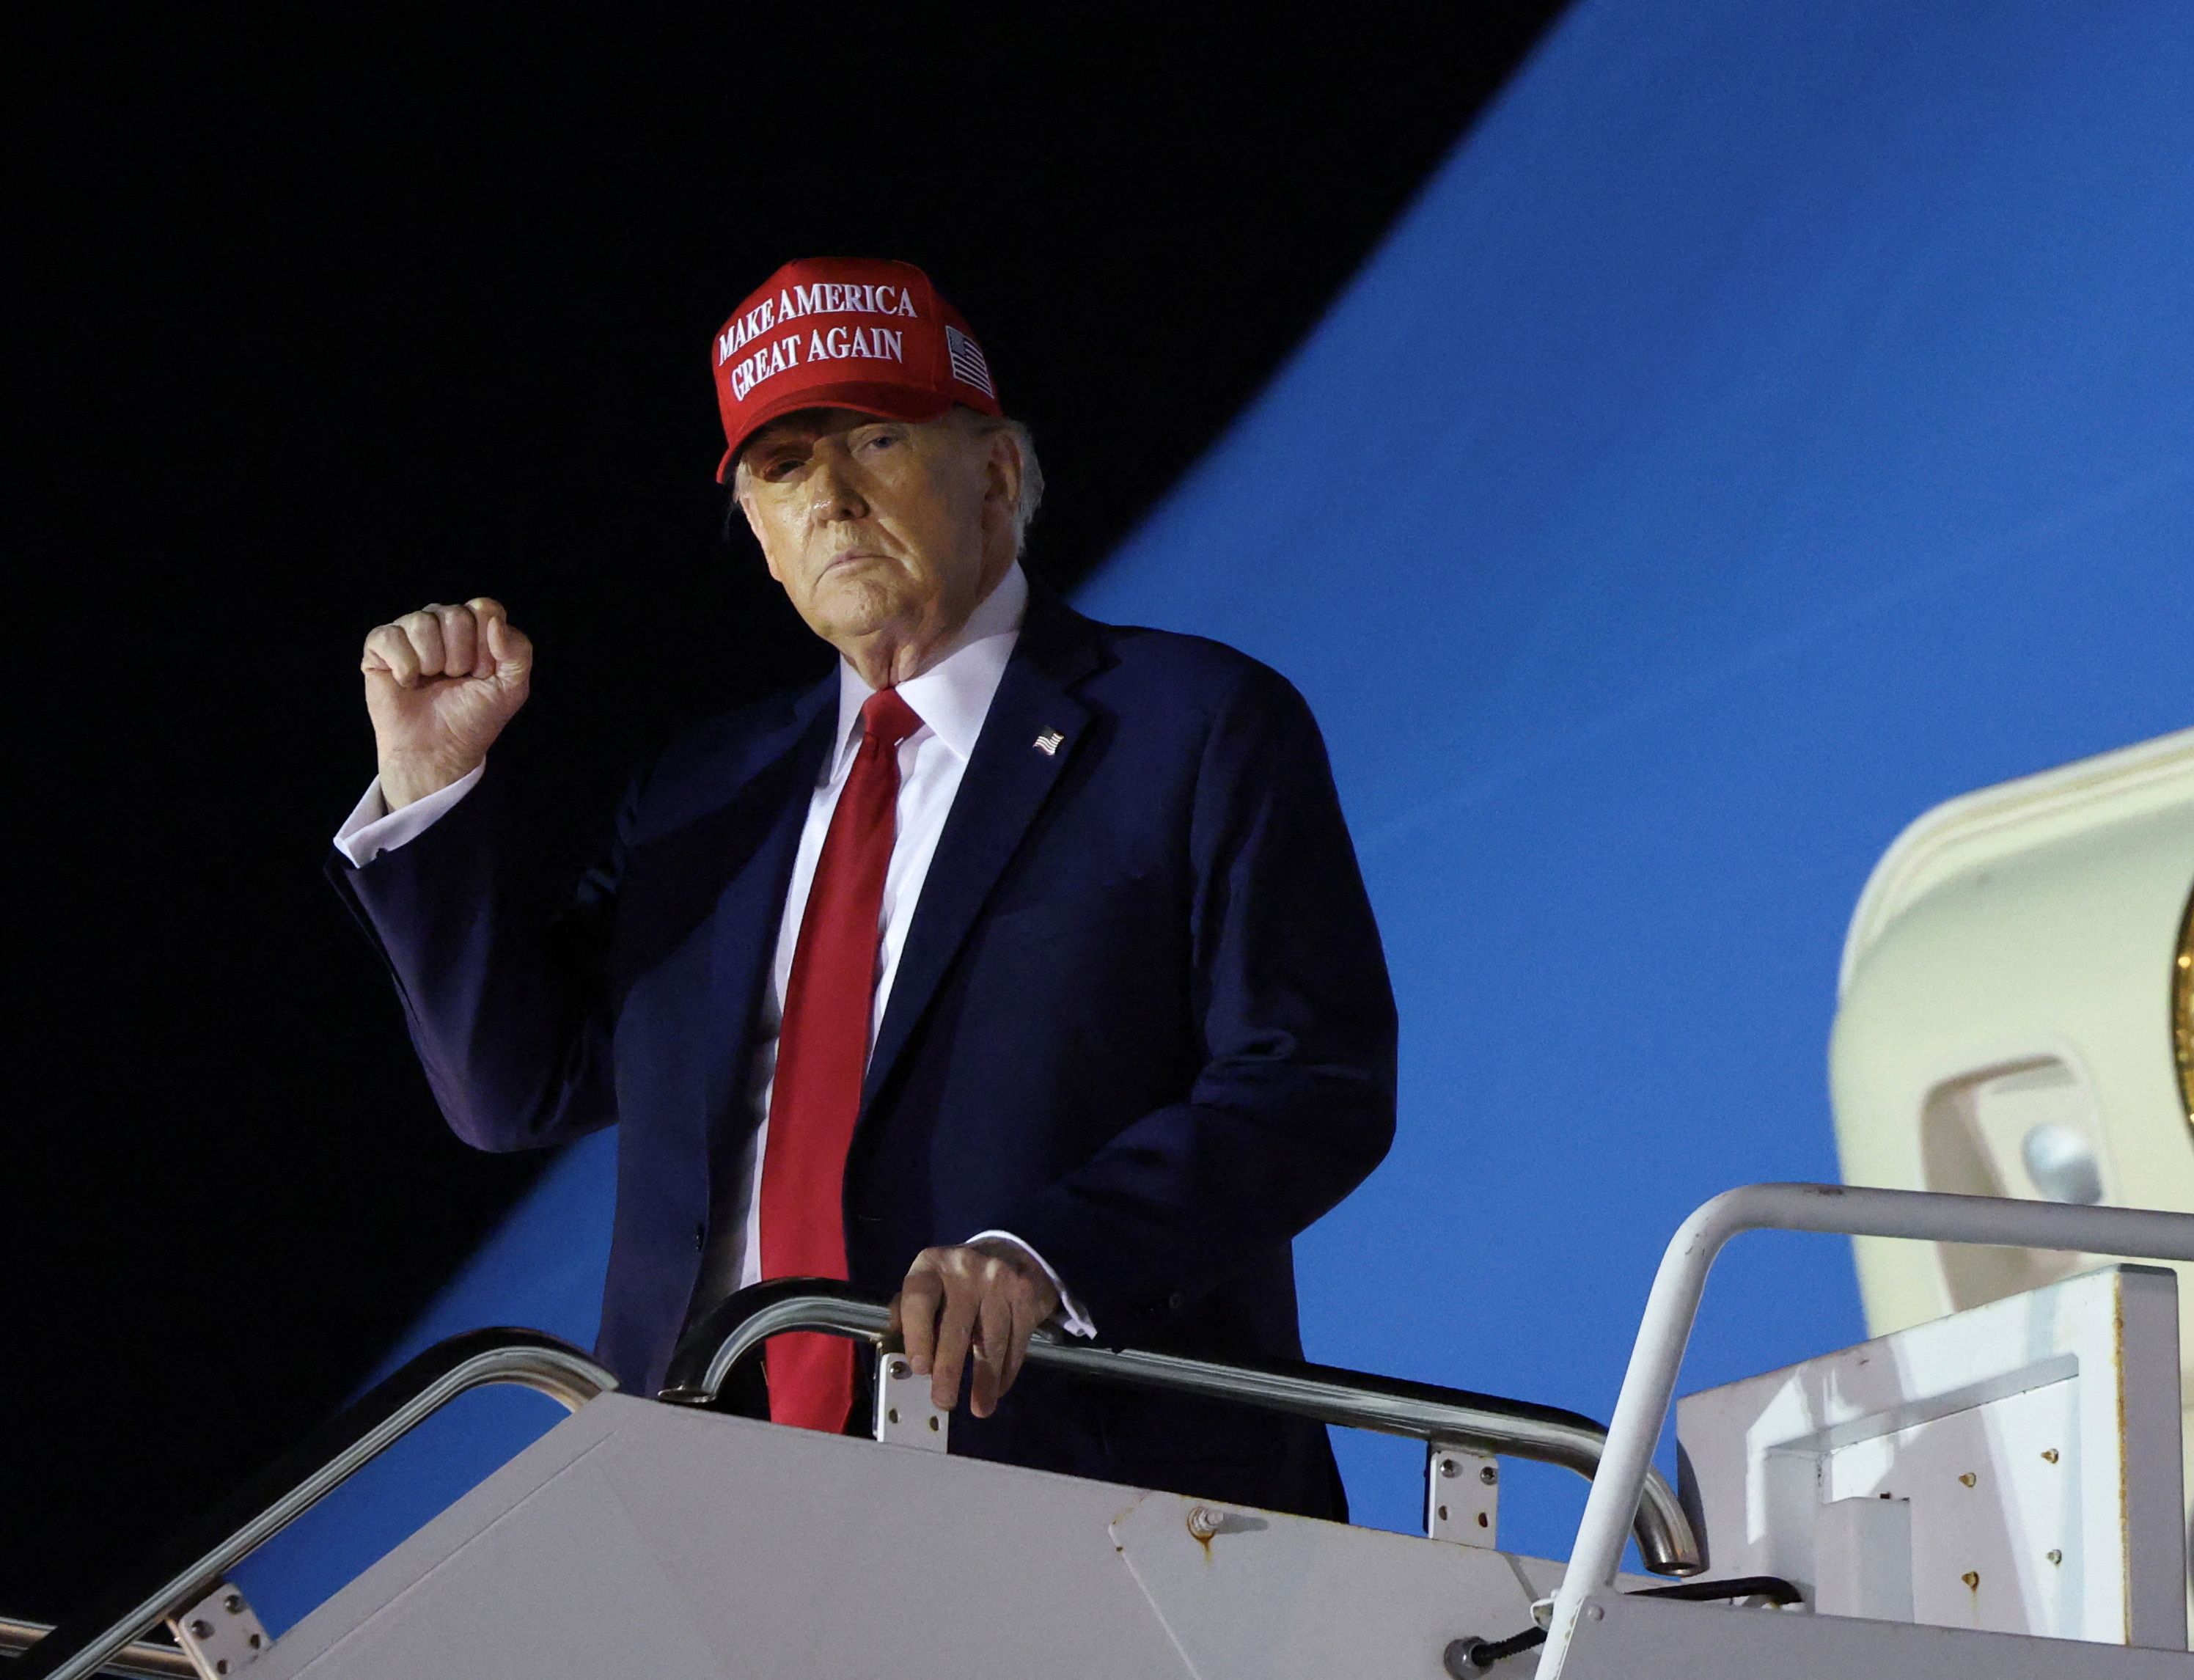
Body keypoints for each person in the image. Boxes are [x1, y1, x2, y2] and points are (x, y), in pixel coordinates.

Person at [330, 257, 1396, 1519]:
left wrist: (1049, 1254)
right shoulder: (705, 791)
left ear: (997, 471)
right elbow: (513, 1094)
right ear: (762, 542)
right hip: (702, 1491)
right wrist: (429, 788)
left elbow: (1306, 1079)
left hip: (1071, 1473)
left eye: (875, 440)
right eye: (779, 470)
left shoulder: (1191, 725)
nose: (829, 499)